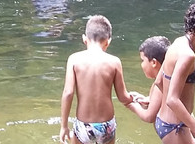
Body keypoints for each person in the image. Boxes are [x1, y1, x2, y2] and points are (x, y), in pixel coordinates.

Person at [59, 14, 139, 144]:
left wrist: (64, 126)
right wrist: (134, 98)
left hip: (84, 125)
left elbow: (68, 93)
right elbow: (122, 97)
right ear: (108, 41)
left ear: (84, 39)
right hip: (106, 125)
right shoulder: (114, 62)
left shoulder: (74, 59)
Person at [153, 1, 195, 144]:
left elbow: (160, 82)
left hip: (164, 122)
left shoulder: (177, 43)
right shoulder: (188, 55)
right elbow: (172, 99)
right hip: (175, 128)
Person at [128, 35, 171, 124]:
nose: (142, 64)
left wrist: (130, 105)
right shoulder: (166, 80)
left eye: (143, 60)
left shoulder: (160, 84)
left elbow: (149, 117)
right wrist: (146, 99)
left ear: (154, 62)